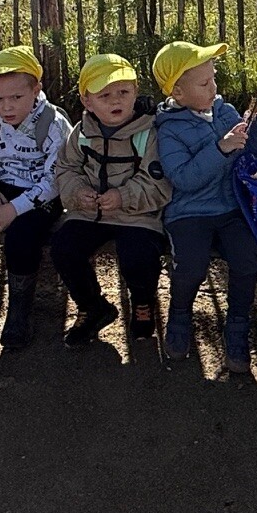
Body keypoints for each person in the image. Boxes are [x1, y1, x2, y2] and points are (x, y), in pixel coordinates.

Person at [151, 40, 257, 374]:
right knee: (191, 265)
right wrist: (220, 148)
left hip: (232, 208)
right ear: (178, 92)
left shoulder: (224, 111)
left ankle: (237, 325)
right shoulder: (169, 129)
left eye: (214, 79)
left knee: (247, 258)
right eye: (204, 83)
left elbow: (250, 153)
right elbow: (183, 178)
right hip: (189, 212)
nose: (214, 88)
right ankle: (179, 316)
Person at [50, 53, 171, 344]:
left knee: (138, 256)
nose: (116, 100)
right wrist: (78, 193)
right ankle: (92, 306)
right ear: (87, 101)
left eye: (123, 92)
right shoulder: (82, 132)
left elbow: (159, 183)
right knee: (64, 247)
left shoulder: (149, 133)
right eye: (104, 95)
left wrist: (123, 196)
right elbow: (66, 168)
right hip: (89, 212)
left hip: (138, 215)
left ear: (135, 93)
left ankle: (142, 303)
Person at [0, 45, 67, 350]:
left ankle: (19, 313)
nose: (6, 106)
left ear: (36, 90)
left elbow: (55, 180)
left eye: (16, 97)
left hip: (43, 195)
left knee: (21, 237)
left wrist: (14, 209)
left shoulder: (53, 125)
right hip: (3, 189)